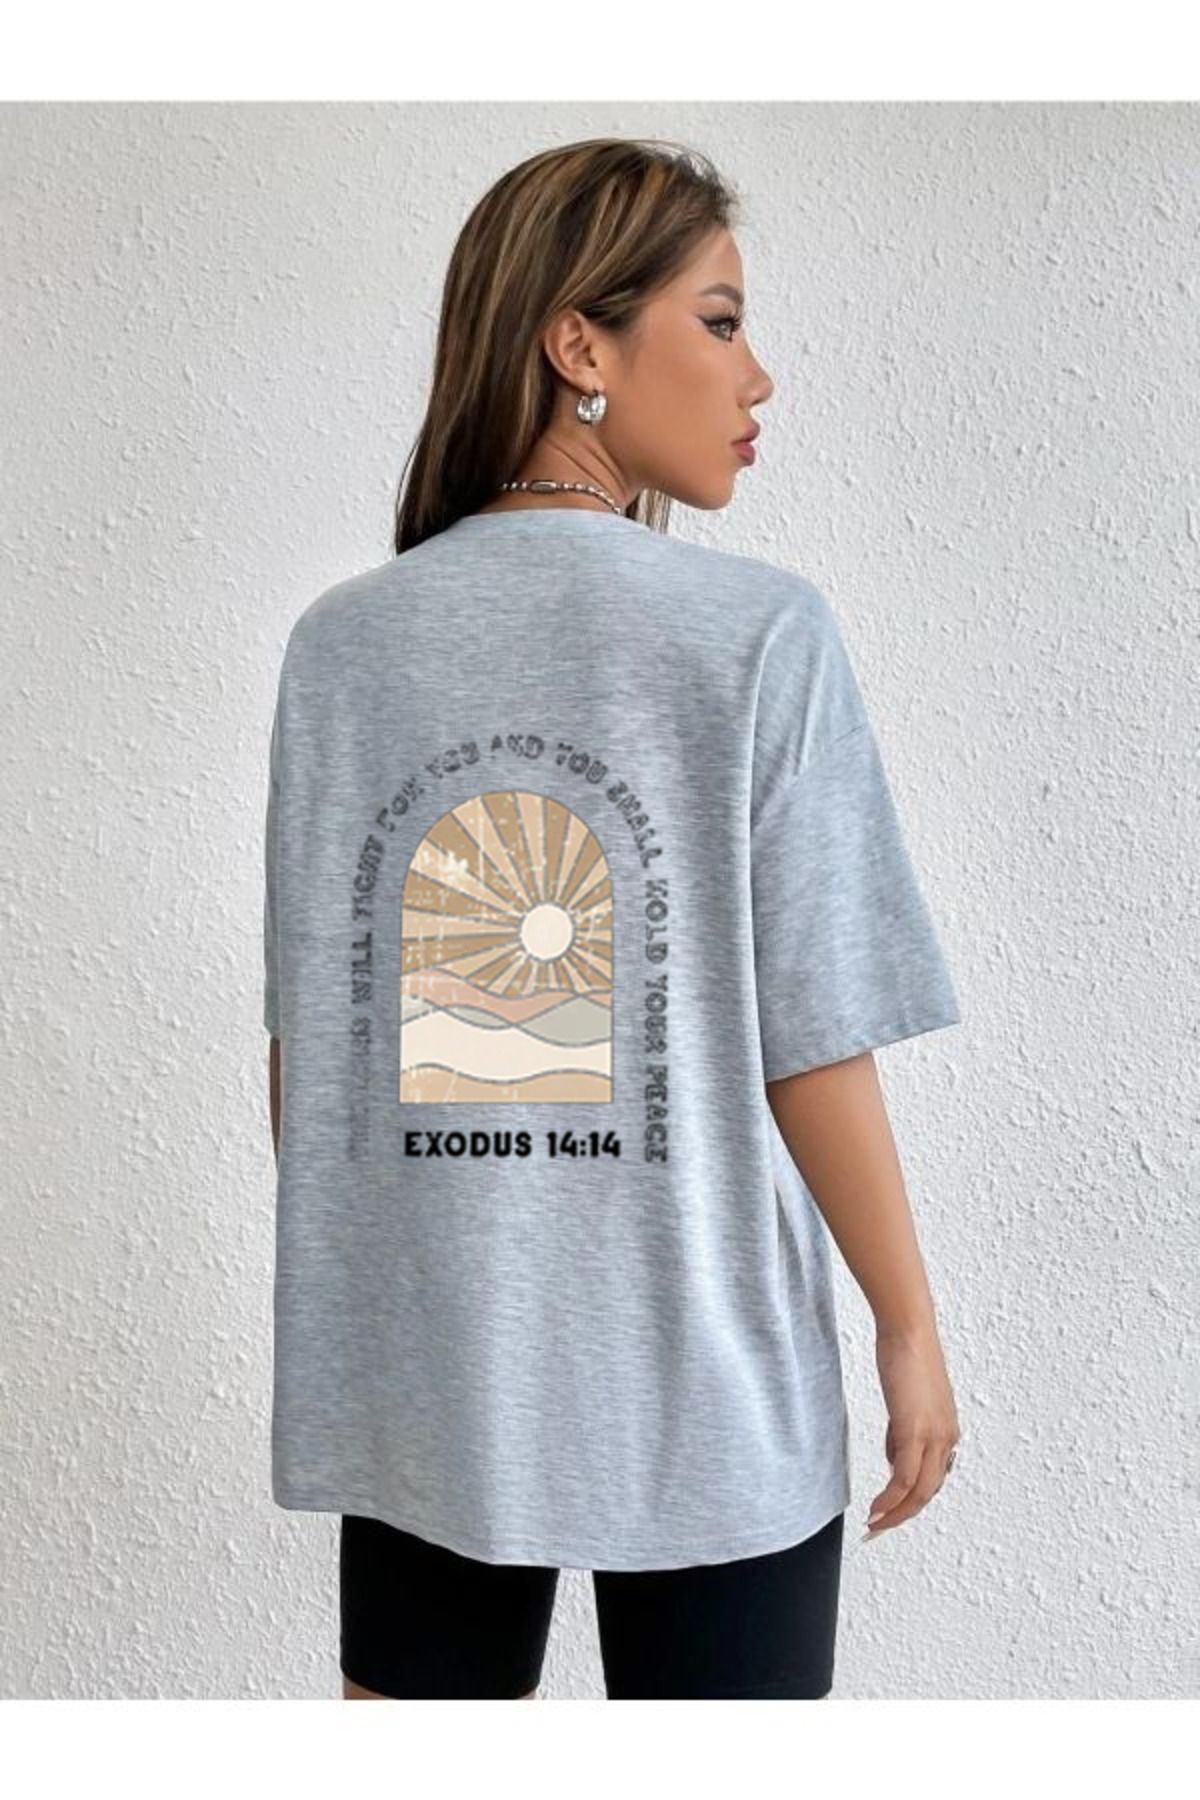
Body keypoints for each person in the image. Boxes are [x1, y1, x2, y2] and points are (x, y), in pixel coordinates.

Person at [263, 136, 963, 1701]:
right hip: (711, 1369)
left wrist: (434, 1280)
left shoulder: (343, 647)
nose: (758, 375)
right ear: (579, 344)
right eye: (720, 320)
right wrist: (906, 1326)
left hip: (431, 1376)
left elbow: (308, 1065)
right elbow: (812, 1033)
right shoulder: (757, 633)